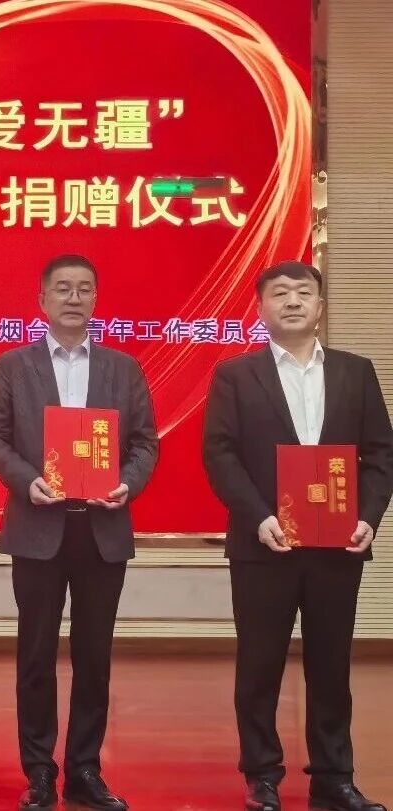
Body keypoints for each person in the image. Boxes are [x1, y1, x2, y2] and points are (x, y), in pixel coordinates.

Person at [203, 261, 393, 811]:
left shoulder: (356, 372)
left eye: (303, 293)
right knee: (259, 664)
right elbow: (220, 453)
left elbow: (380, 453)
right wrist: (258, 516)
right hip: (263, 544)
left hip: (338, 544)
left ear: (319, 306)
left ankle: (334, 777)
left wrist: (368, 516)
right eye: (280, 293)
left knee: (331, 665)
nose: (292, 301)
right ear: (260, 308)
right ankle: (262, 775)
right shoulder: (236, 375)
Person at [0, 255, 158, 811]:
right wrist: (27, 481)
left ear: (96, 299)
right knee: (35, 655)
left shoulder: (123, 368)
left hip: (102, 528)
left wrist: (127, 483)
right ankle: (38, 770)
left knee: (94, 655)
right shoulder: (14, 365)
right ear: (43, 300)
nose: (74, 298)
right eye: (63, 289)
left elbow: (145, 443)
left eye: (84, 289)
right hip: (38, 526)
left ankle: (85, 769)